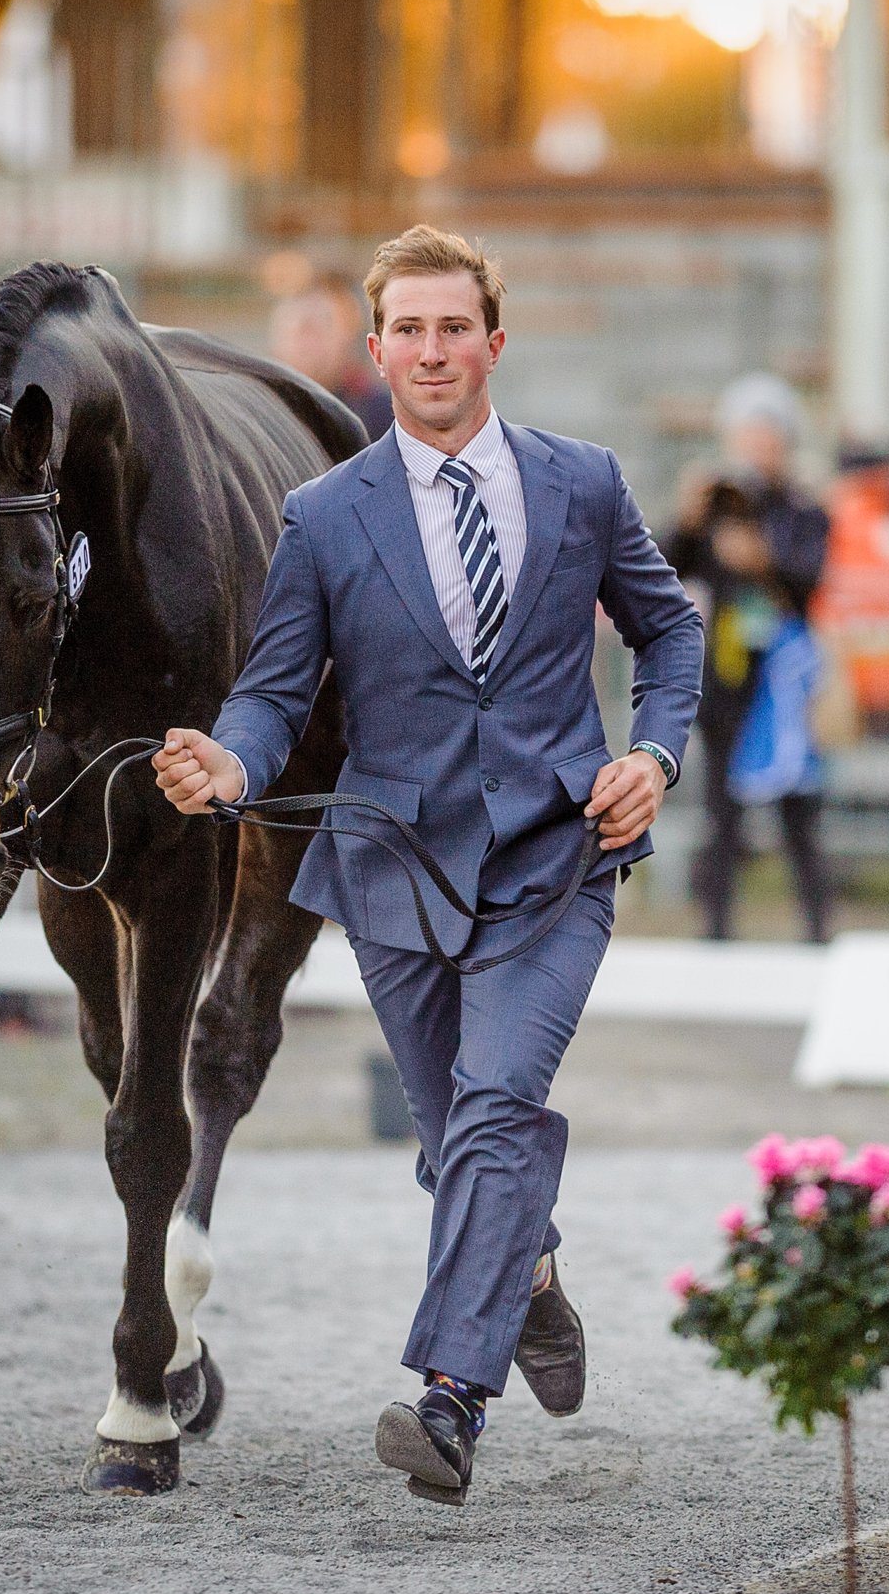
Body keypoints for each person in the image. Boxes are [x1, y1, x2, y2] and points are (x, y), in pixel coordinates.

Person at [154, 225, 702, 1504]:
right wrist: (232, 763)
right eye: (409, 328)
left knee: (497, 1100)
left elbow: (669, 630)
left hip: (556, 856)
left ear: (494, 342)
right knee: (455, 1134)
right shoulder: (323, 514)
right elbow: (273, 693)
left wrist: (654, 753)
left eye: (454, 326)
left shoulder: (583, 482)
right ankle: (531, 1269)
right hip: (394, 862)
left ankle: (450, 1398)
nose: (433, 349)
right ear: (377, 347)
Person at [665, 373, 833, 943]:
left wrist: (762, 560)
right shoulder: (718, 505)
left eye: (768, 435)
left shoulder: (801, 509)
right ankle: (715, 930)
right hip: (728, 675)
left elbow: (809, 580)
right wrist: (689, 515)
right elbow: (664, 565)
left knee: (798, 810)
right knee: (721, 813)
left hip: (784, 681)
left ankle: (817, 928)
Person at [269, 273, 396, 440]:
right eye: (299, 330)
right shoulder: (264, 412)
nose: (308, 343)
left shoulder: (381, 411)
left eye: (319, 327)